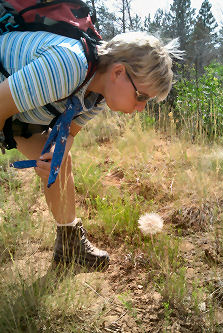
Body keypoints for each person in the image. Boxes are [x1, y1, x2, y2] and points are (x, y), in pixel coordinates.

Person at [0, 29, 178, 268]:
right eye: (141, 96)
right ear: (118, 72)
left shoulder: (98, 94)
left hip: (17, 119)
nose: (140, 108)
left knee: (62, 161)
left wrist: (54, 154)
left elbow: (69, 133)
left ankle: (70, 247)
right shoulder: (68, 66)